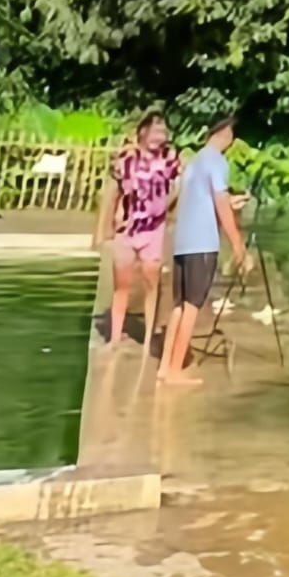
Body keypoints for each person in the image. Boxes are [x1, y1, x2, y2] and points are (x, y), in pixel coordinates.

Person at [158, 116, 250, 386]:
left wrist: (229, 201)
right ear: (225, 134)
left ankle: (165, 367)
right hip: (202, 244)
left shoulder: (195, 161)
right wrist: (238, 246)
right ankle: (175, 371)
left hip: (182, 242)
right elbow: (220, 204)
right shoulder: (217, 162)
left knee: (178, 306)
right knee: (192, 307)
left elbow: (202, 200)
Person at [93, 112, 181, 349]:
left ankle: (150, 334)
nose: (159, 137)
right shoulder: (126, 160)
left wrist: (165, 208)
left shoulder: (170, 160)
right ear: (142, 132)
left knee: (152, 282)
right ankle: (114, 337)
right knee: (122, 286)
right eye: (154, 131)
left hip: (154, 229)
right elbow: (112, 194)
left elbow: (177, 187)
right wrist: (104, 229)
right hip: (128, 230)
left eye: (163, 132)